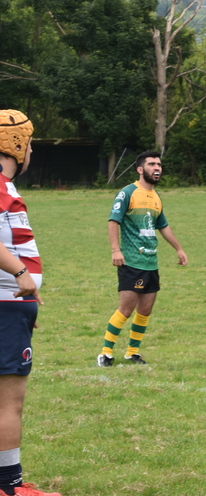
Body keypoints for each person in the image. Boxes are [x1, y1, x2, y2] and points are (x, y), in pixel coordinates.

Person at [0, 111, 59, 496]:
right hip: (5, 307)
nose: (32, 151)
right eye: (31, 143)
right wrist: (21, 275)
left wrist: (27, 297)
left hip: (11, 307)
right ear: (15, 144)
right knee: (9, 402)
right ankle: (9, 486)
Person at [97, 151, 189, 367]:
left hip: (150, 262)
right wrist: (115, 250)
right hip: (131, 262)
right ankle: (106, 353)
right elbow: (113, 221)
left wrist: (179, 249)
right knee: (126, 309)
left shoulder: (156, 197)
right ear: (140, 169)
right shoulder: (127, 193)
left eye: (159, 164)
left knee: (145, 310)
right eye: (151, 164)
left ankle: (132, 353)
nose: (157, 168)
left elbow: (163, 226)